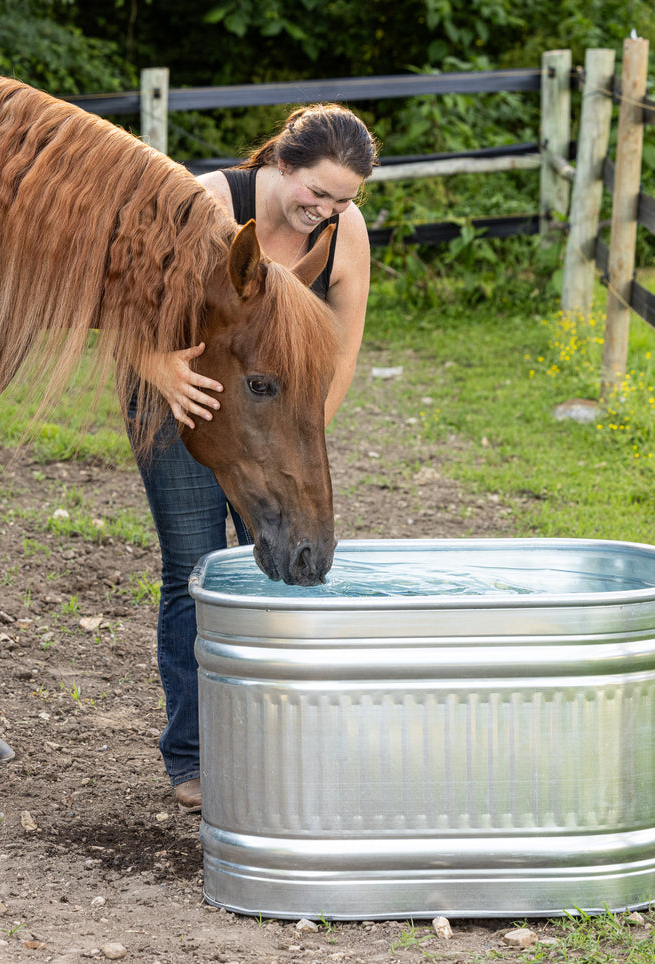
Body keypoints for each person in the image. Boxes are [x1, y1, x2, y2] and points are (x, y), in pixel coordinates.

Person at [130, 104, 378, 814]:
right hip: (178, 395)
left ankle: (281, 738)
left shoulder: (342, 231)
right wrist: (155, 366)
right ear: (279, 163)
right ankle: (193, 756)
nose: (324, 210)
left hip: (271, 408)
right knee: (193, 570)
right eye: (317, 192)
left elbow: (341, 347)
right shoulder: (202, 204)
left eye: (341, 200)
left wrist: (293, 440)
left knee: (274, 557)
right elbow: (119, 308)